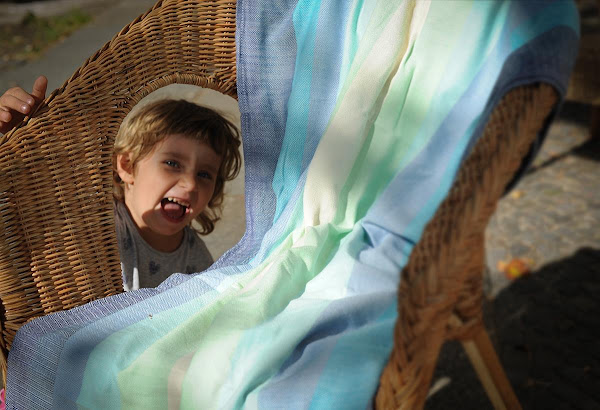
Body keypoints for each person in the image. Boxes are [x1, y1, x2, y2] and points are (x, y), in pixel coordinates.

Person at [0, 78, 242, 291]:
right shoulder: (100, 223)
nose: (190, 184)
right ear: (127, 167)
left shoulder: (198, 262)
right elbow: (41, 204)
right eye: (172, 163)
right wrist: (23, 144)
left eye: (204, 174)